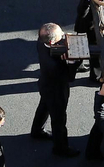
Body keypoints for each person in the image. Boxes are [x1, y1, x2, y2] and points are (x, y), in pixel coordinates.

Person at [30, 22, 80, 156]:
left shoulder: (41, 42)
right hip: (57, 90)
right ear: (52, 42)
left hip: (45, 85)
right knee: (59, 120)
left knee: (44, 106)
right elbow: (69, 77)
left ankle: (37, 131)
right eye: (61, 35)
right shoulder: (54, 65)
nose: (64, 36)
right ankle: (61, 148)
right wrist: (71, 62)